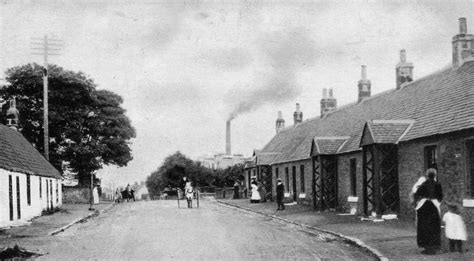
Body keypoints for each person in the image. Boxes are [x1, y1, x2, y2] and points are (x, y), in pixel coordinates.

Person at [414, 168, 443, 255]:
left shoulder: (423, 184)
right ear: (435, 175)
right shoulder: (437, 184)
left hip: (423, 206)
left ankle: (426, 246)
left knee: (424, 226)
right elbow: (440, 196)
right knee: (434, 225)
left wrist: (418, 201)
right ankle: (434, 246)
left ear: (427, 175)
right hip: (434, 205)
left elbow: (416, 195)